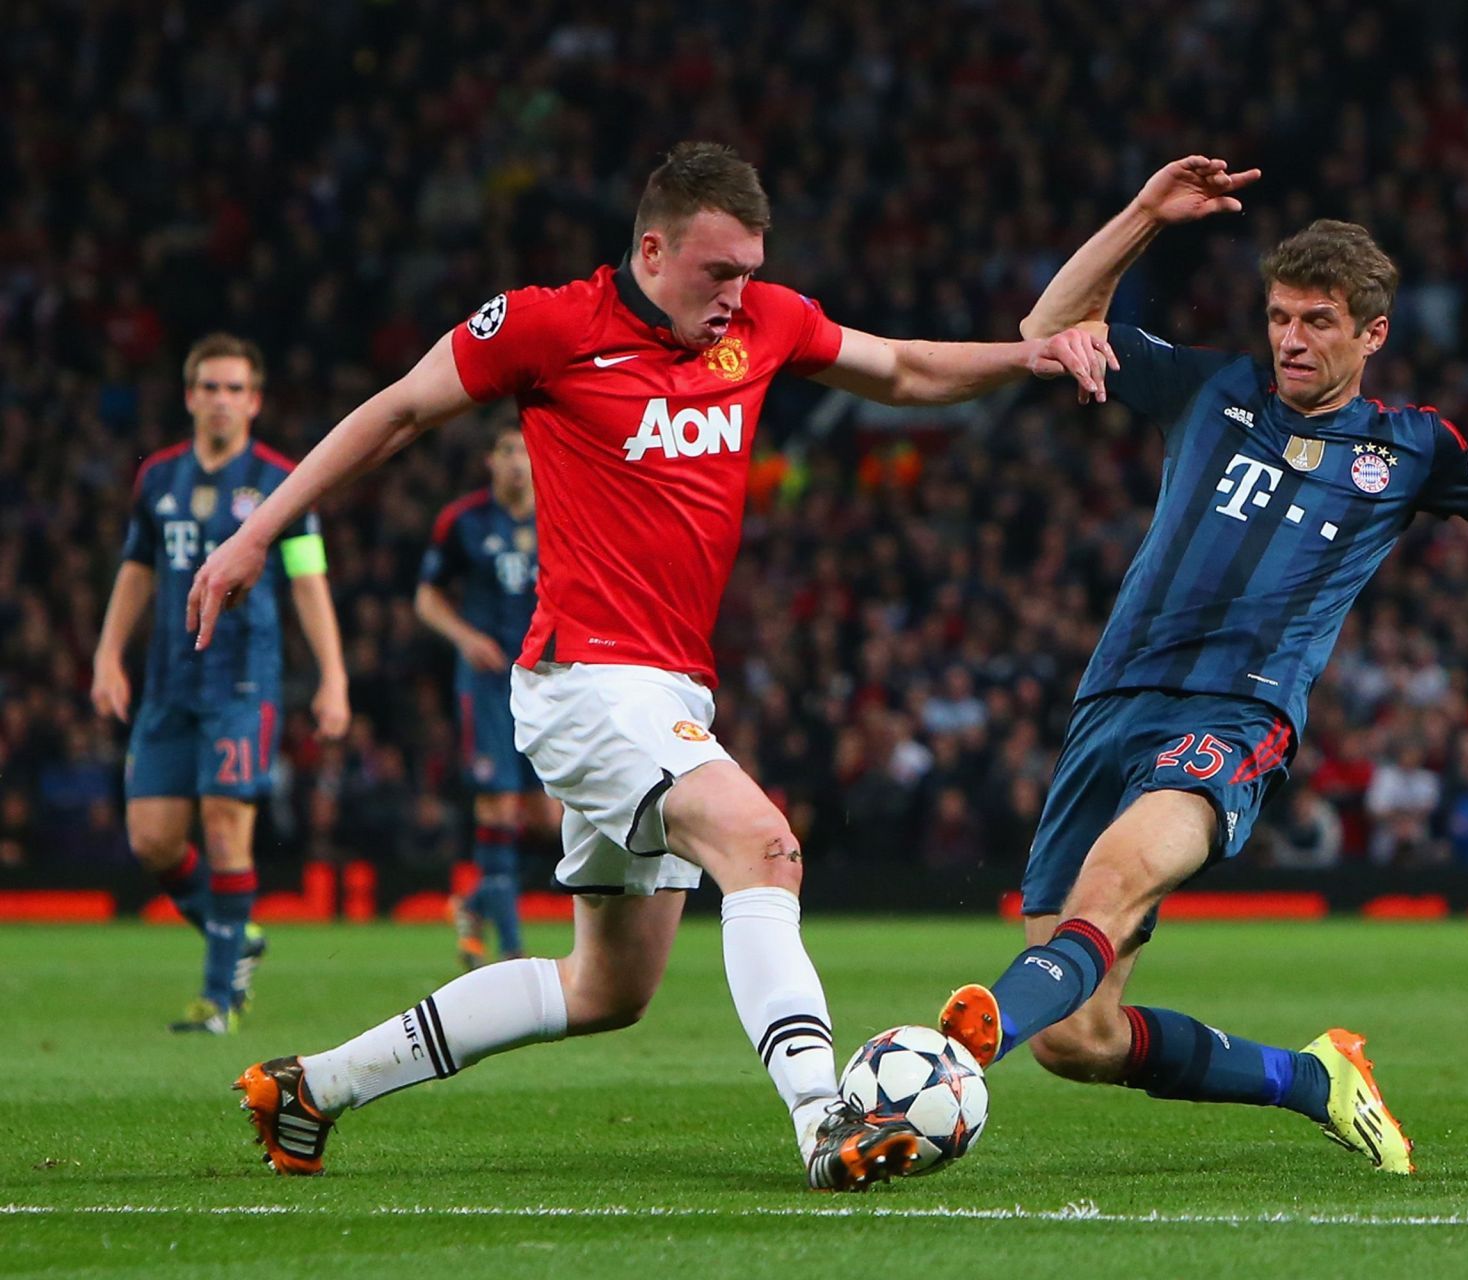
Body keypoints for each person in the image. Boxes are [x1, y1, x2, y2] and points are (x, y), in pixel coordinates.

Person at [187, 142, 1111, 1190]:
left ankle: (311, 1086)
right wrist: (258, 531)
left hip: (667, 688)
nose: (738, 295)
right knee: (766, 848)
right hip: (586, 678)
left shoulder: (763, 324)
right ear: (654, 248)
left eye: (751, 271)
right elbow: (398, 408)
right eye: (719, 273)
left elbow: (899, 367)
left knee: (606, 987)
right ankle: (826, 1116)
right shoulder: (548, 326)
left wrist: (1025, 358)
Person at [935, 156, 1468, 1176]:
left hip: (1238, 716)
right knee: (1081, 1038)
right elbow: (1041, 333)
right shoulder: (1212, 386)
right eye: (1280, 315)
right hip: (1112, 701)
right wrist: (1147, 213)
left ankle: (954, 1051)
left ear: (1372, 333)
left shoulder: (1409, 448)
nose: (1289, 337)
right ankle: (1314, 1077)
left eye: (1318, 320)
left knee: (1117, 874)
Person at [91, 333, 350, 1033]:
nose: (221, 400)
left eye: (235, 388)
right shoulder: (158, 480)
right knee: (152, 841)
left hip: (241, 681)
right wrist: (107, 654)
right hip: (168, 683)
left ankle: (220, 1000)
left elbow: (307, 579)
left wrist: (333, 675)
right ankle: (236, 934)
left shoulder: (278, 479)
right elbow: (137, 571)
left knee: (226, 826)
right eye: (209, 387)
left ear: (256, 401)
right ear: (189, 396)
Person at [415, 426, 558, 970]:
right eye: (506, 451)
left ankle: (473, 904)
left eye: (526, 449)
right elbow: (426, 596)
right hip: (487, 683)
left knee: (551, 816)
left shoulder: (561, 511)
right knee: (497, 803)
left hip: (547, 680)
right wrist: (465, 637)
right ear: (489, 460)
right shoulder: (463, 521)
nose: (518, 462)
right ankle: (514, 948)